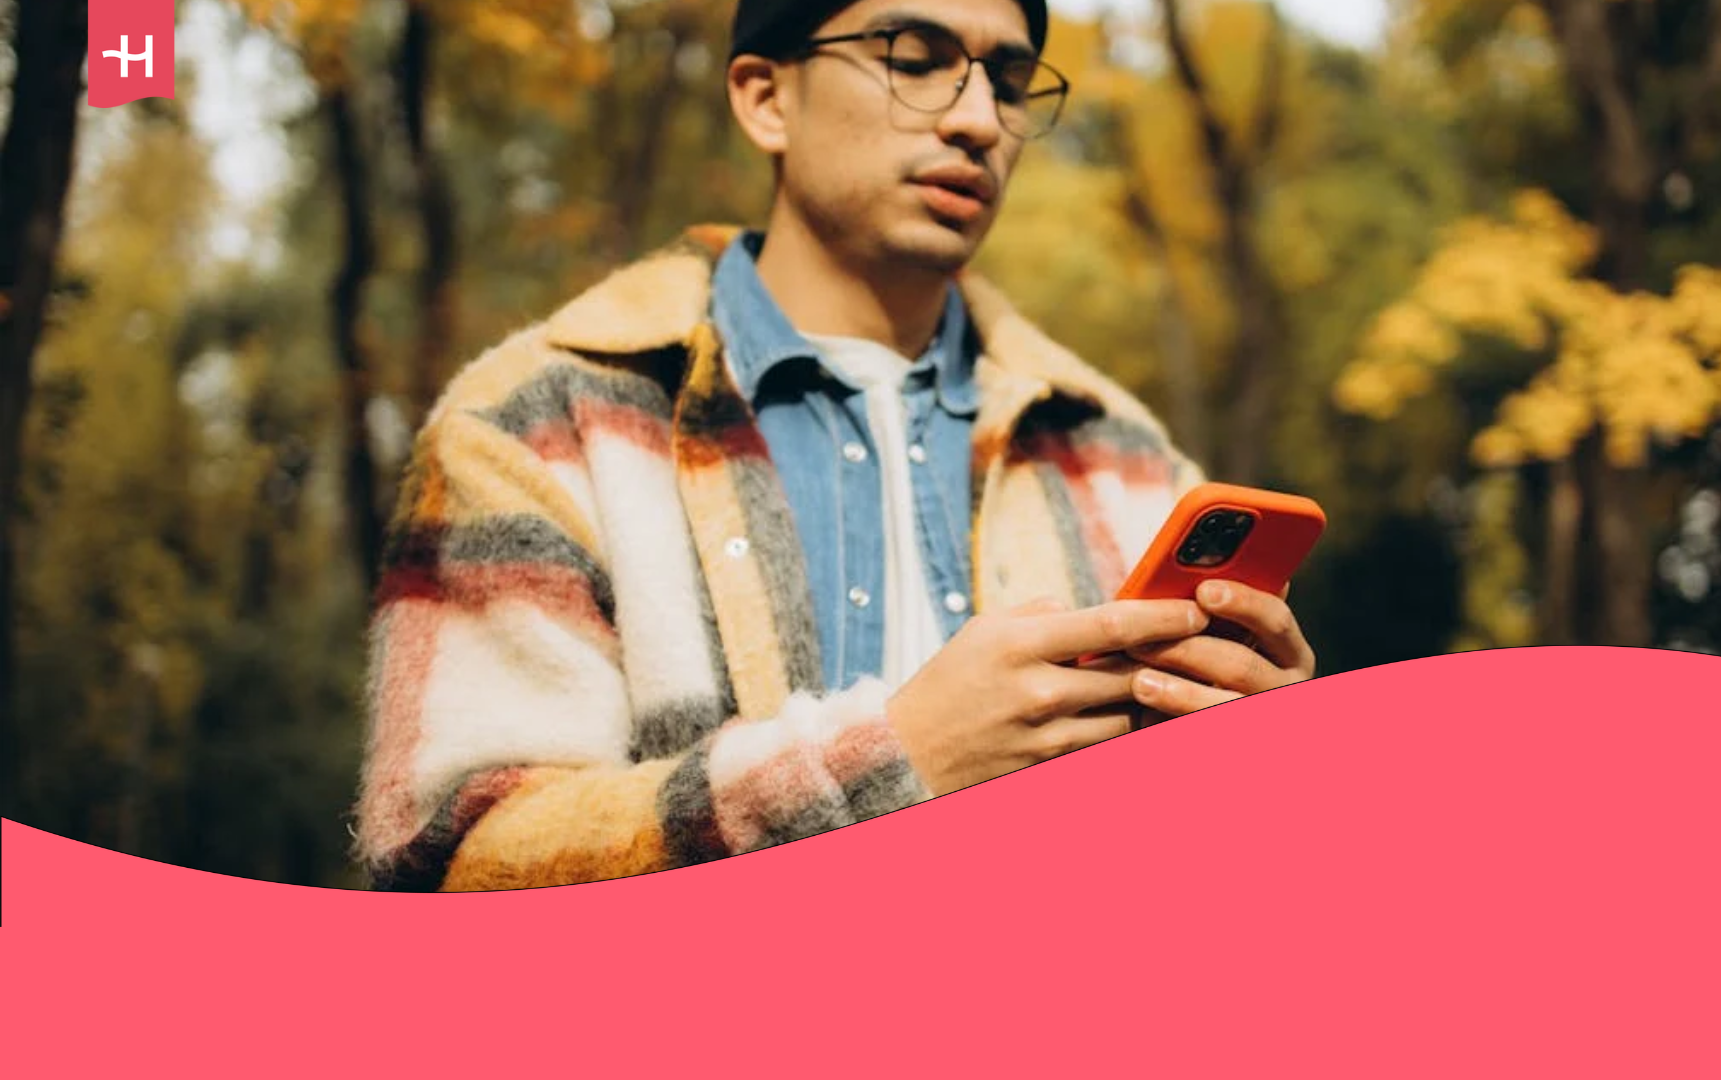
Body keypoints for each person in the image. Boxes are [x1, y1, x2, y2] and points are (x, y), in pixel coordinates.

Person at [352, 0, 1316, 892]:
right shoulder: (538, 425)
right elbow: (455, 859)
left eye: (1009, 81)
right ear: (766, 98)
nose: (979, 118)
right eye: (917, 59)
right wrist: (895, 758)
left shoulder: (1123, 456)